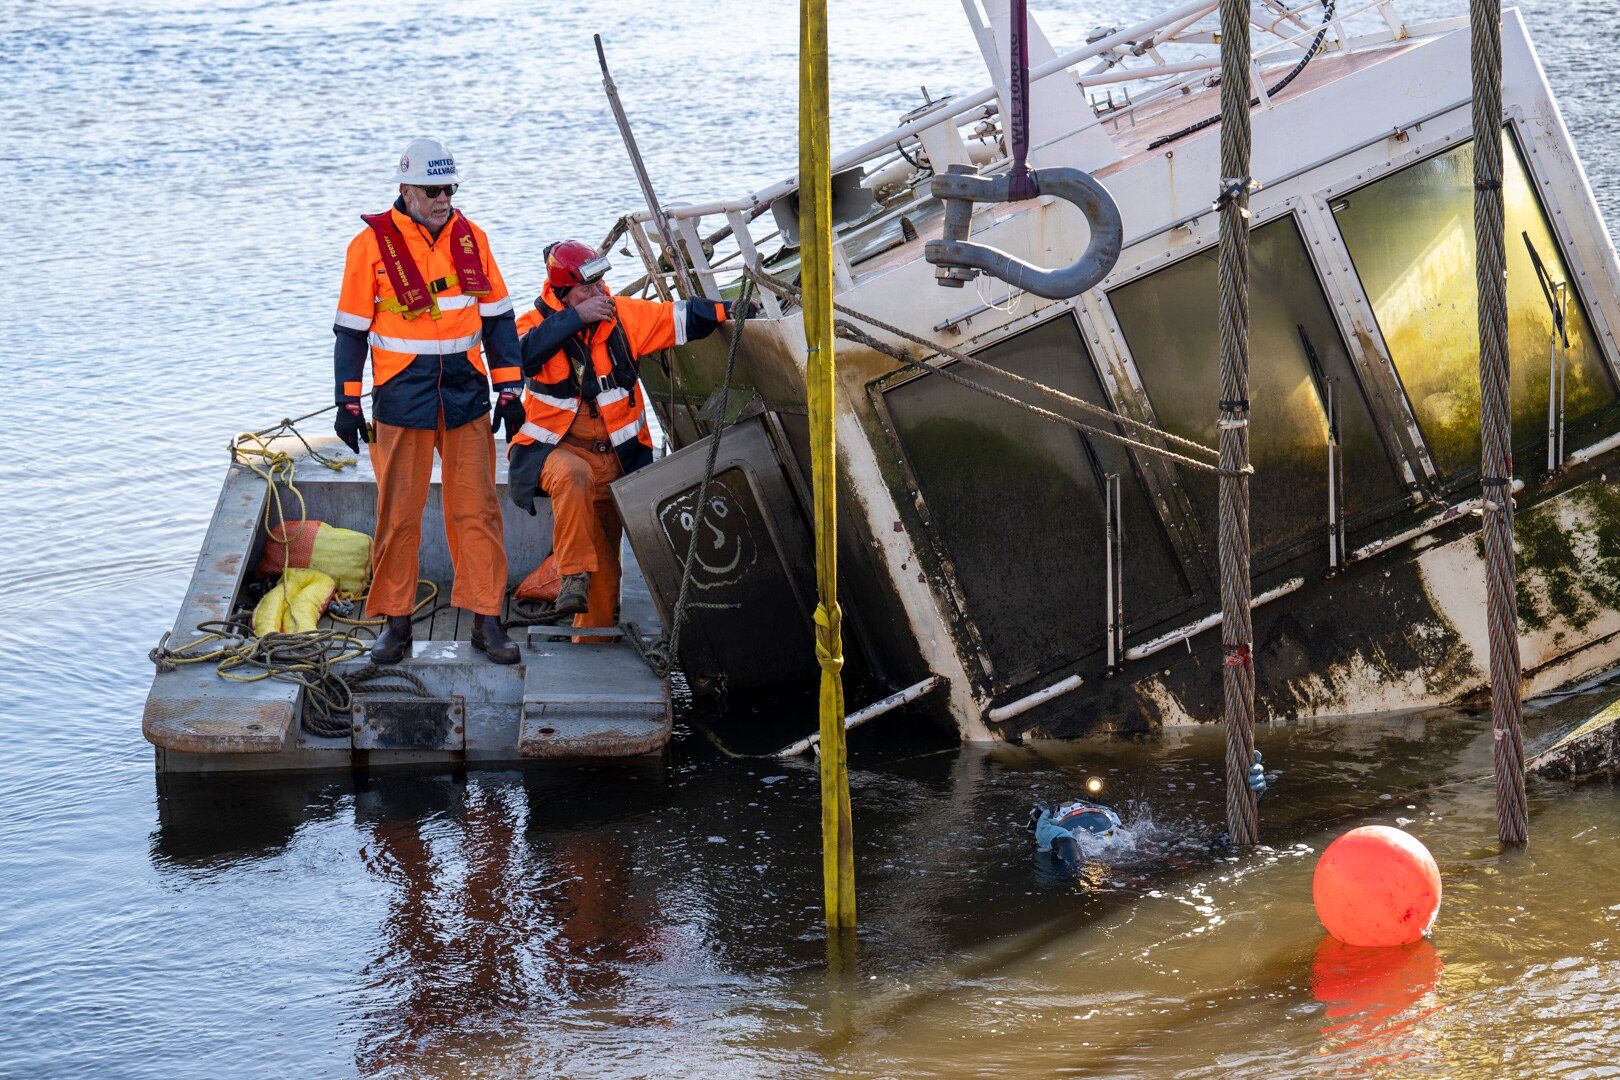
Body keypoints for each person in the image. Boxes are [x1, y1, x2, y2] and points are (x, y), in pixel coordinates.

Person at [331, 137, 527, 665]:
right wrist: (347, 401)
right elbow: (350, 332)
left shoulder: (474, 239)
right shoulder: (369, 247)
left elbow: (499, 321)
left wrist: (510, 388)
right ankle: (397, 625)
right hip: (401, 398)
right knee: (399, 516)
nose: (443, 199)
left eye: (449, 189)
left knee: (479, 512)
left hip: (465, 395)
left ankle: (488, 622)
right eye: (432, 190)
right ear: (405, 189)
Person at [506, 240, 756, 634]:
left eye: (602, 284)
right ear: (562, 292)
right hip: (554, 456)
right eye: (587, 289)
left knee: (605, 581)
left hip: (617, 462)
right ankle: (570, 575)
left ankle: (588, 640)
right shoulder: (532, 324)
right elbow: (520, 355)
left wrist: (730, 310)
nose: (600, 293)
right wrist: (575, 320)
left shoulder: (623, 317)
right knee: (573, 476)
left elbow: (679, 318)